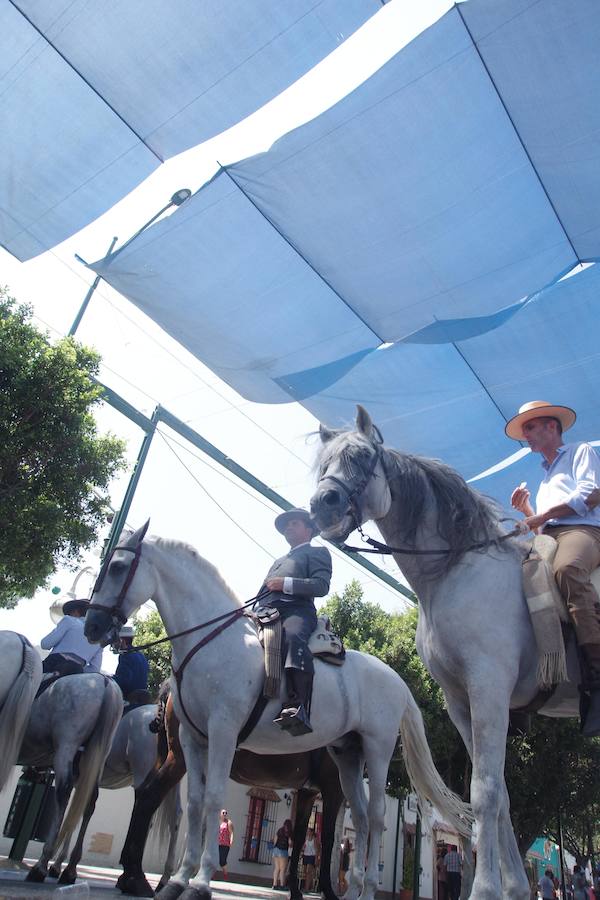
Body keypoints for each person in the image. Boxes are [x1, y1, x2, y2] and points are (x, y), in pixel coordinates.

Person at [507, 400, 600, 736]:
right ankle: (516, 682)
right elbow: (542, 532)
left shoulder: (580, 451)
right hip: (552, 536)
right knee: (510, 576)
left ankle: (596, 674)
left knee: (567, 569)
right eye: (525, 430)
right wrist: (528, 509)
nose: (526, 436)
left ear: (552, 427)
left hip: (586, 532)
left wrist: (541, 515)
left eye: (531, 428)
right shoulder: (544, 481)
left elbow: (590, 495)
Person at [256, 508, 332, 735]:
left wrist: (285, 584)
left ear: (309, 529)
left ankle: (296, 705)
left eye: (294, 523)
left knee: (292, 637)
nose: (288, 527)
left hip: (297, 610)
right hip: (265, 611)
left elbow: (321, 586)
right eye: (287, 525)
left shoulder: (318, 552)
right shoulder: (279, 560)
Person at [41, 598, 102, 675]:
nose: (68, 615)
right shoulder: (99, 638)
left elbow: (45, 644)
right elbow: (95, 669)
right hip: (77, 672)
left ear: (75, 611)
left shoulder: (69, 620)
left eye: (70, 613)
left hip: (55, 663)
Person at [112, 625, 150, 704]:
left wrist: (108, 680)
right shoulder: (141, 655)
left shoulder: (125, 656)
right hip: (143, 699)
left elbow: (123, 681)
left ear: (122, 641)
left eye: (116, 640)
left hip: (130, 699)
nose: (114, 643)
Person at [272, 818, 292, 890]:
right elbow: (290, 843)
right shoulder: (289, 832)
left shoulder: (280, 830)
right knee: (283, 869)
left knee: (277, 868)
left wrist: (274, 847)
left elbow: (275, 840)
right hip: (283, 851)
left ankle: (274, 884)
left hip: (276, 850)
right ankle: (282, 885)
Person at [218, 808, 234, 880]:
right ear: (220, 814)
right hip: (217, 843)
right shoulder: (218, 822)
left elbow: (231, 833)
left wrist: (231, 841)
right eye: (223, 813)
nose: (224, 814)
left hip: (225, 844)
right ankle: (211, 874)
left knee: (222, 860)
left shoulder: (228, 822)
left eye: (226, 813)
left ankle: (225, 874)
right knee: (215, 859)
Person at [302, 826, 319, 894]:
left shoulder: (314, 840)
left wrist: (316, 858)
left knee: (309, 872)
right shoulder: (305, 838)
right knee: (305, 872)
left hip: (312, 856)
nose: (307, 832)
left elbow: (317, 850)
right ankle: (310, 886)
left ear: (312, 832)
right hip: (305, 855)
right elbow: (303, 847)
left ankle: (306, 888)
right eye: (307, 831)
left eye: (309, 831)